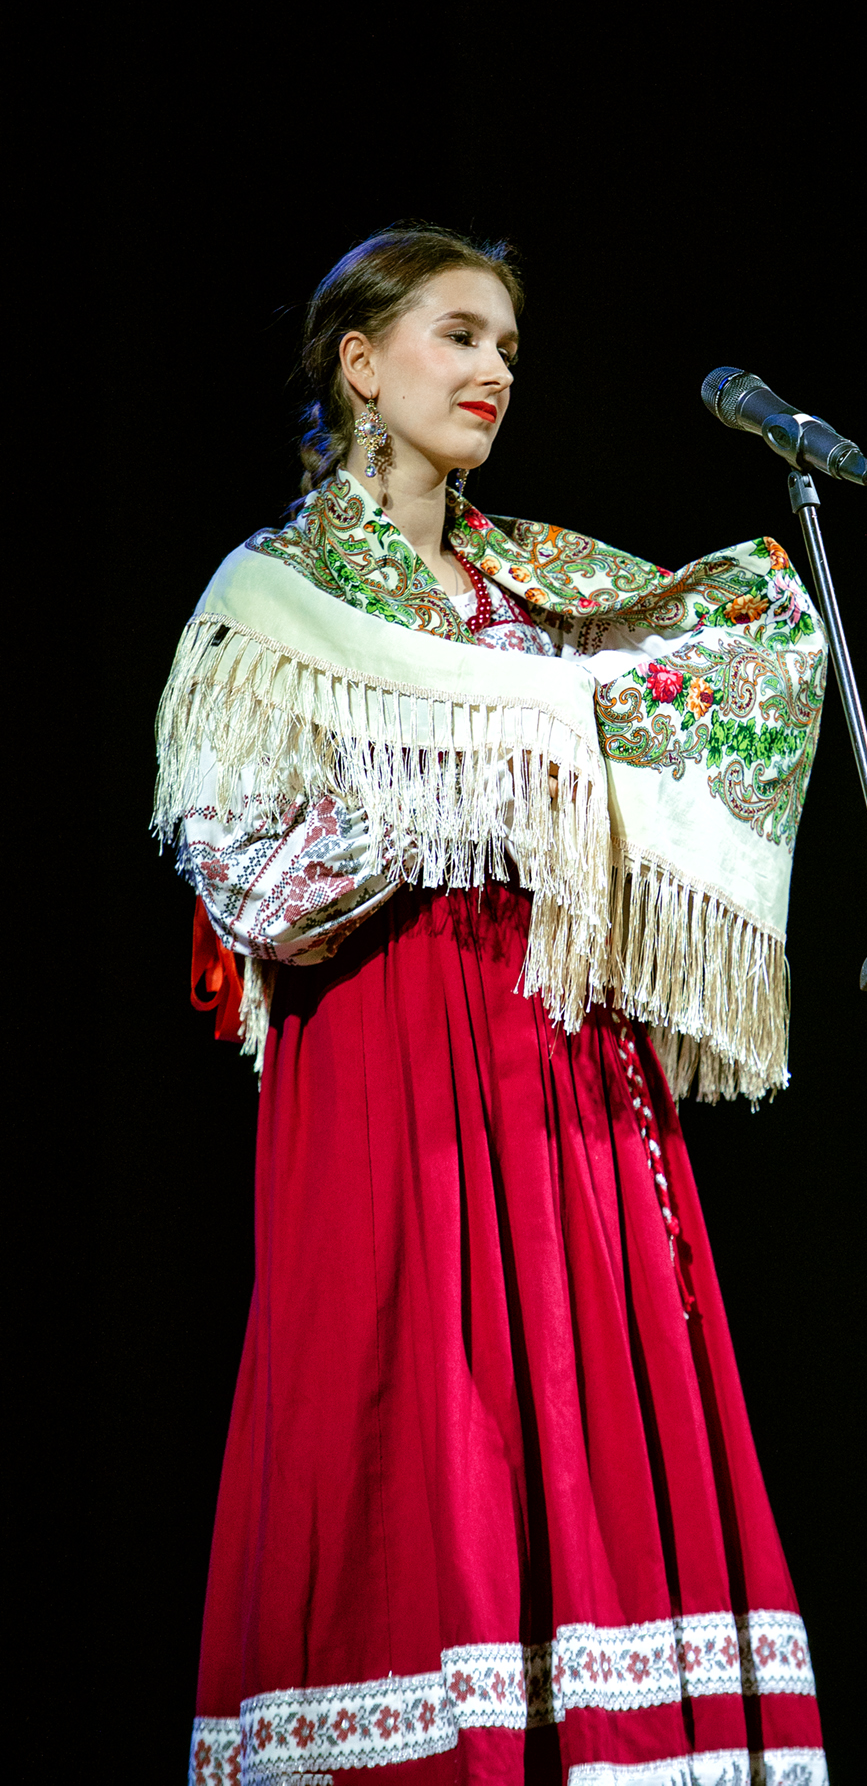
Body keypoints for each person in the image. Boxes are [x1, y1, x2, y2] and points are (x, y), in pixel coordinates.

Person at [156, 223, 831, 1786]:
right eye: (458, 335)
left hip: (564, 1061)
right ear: (359, 363)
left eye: (508, 349)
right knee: (413, 1410)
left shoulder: (539, 593)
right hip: (386, 1052)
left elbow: (713, 683)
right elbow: (244, 871)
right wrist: (472, 778)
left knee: (589, 1400)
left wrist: (572, 730)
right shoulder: (274, 601)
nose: (492, 372)